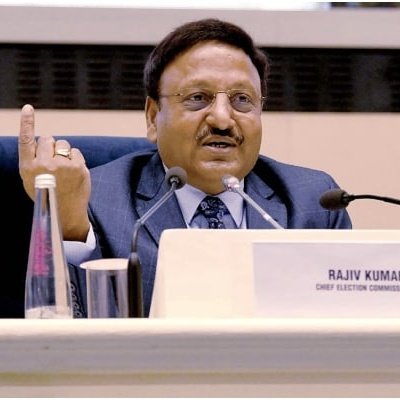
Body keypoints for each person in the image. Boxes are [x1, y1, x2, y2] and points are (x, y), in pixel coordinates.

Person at [18, 18, 352, 317]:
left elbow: (346, 331)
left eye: (242, 100)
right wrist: (69, 223)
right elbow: (69, 333)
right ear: (153, 117)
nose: (222, 119)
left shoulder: (314, 203)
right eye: (197, 98)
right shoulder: (96, 200)